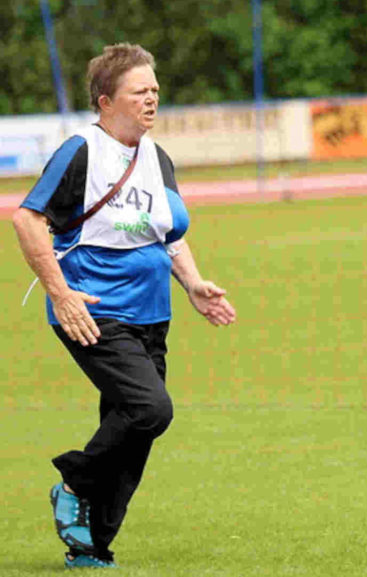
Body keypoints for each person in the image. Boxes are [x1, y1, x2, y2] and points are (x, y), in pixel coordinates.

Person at [12, 43, 237, 569]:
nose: (152, 99)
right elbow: (27, 220)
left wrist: (194, 283)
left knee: (133, 435)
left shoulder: (157, 158)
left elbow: (165, 234)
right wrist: (60, 293)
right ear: (106, 100)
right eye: (141, 91)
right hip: (94, 312)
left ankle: (91, 547)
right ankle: (73, 481)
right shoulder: (81, 151)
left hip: (152, 315)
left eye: (155, 90)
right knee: (150, 410)